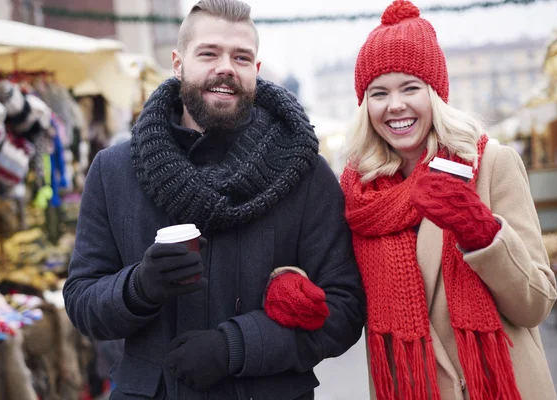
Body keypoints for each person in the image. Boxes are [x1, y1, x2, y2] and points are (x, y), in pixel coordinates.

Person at [62, 0, 365, 399]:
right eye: (209, 53)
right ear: (178, 63)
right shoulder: (114, 171)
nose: (226, 67)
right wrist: (139, 287)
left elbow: (344, 308)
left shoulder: (304, 172)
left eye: (241, 57)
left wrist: (236, 347)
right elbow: (82, 301)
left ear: (255, 72)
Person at [338, 1, 557, 399]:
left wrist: (483, 234)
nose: (395, 105)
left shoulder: (490, 164)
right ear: (364, 104)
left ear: (435, 93)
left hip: (501, 386)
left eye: (410, 87)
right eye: (378, 92)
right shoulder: (358, 194)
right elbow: (341, 289)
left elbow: (537, 304)